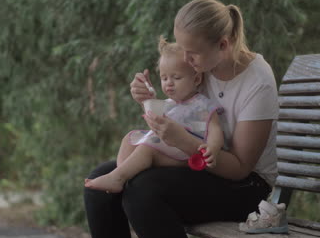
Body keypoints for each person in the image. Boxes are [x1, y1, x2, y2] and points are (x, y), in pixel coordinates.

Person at [84, 0, 279, 238]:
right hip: (197, 166)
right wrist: (147, 99)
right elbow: (180, 111)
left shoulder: (257, 82)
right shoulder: (202, 66)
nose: (185, 59)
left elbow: (240, 168)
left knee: (143, 190)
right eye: (182, 48)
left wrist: (184, 142)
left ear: (222, 44)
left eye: (192, 53)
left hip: (248, 187)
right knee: (99, 185)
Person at [84, 37, 224, 193]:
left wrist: (212, 148)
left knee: (147, 149)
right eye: (164, 78)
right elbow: (155, 126)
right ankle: (124, 177)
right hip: (168, 148)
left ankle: (117, 178)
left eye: (176, 77)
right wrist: (148, 100)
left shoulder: (202, 104)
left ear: (196, 78)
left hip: (187, 155)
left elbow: (215, 129)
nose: (169, 83)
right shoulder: (169, 104)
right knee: (129, 139)